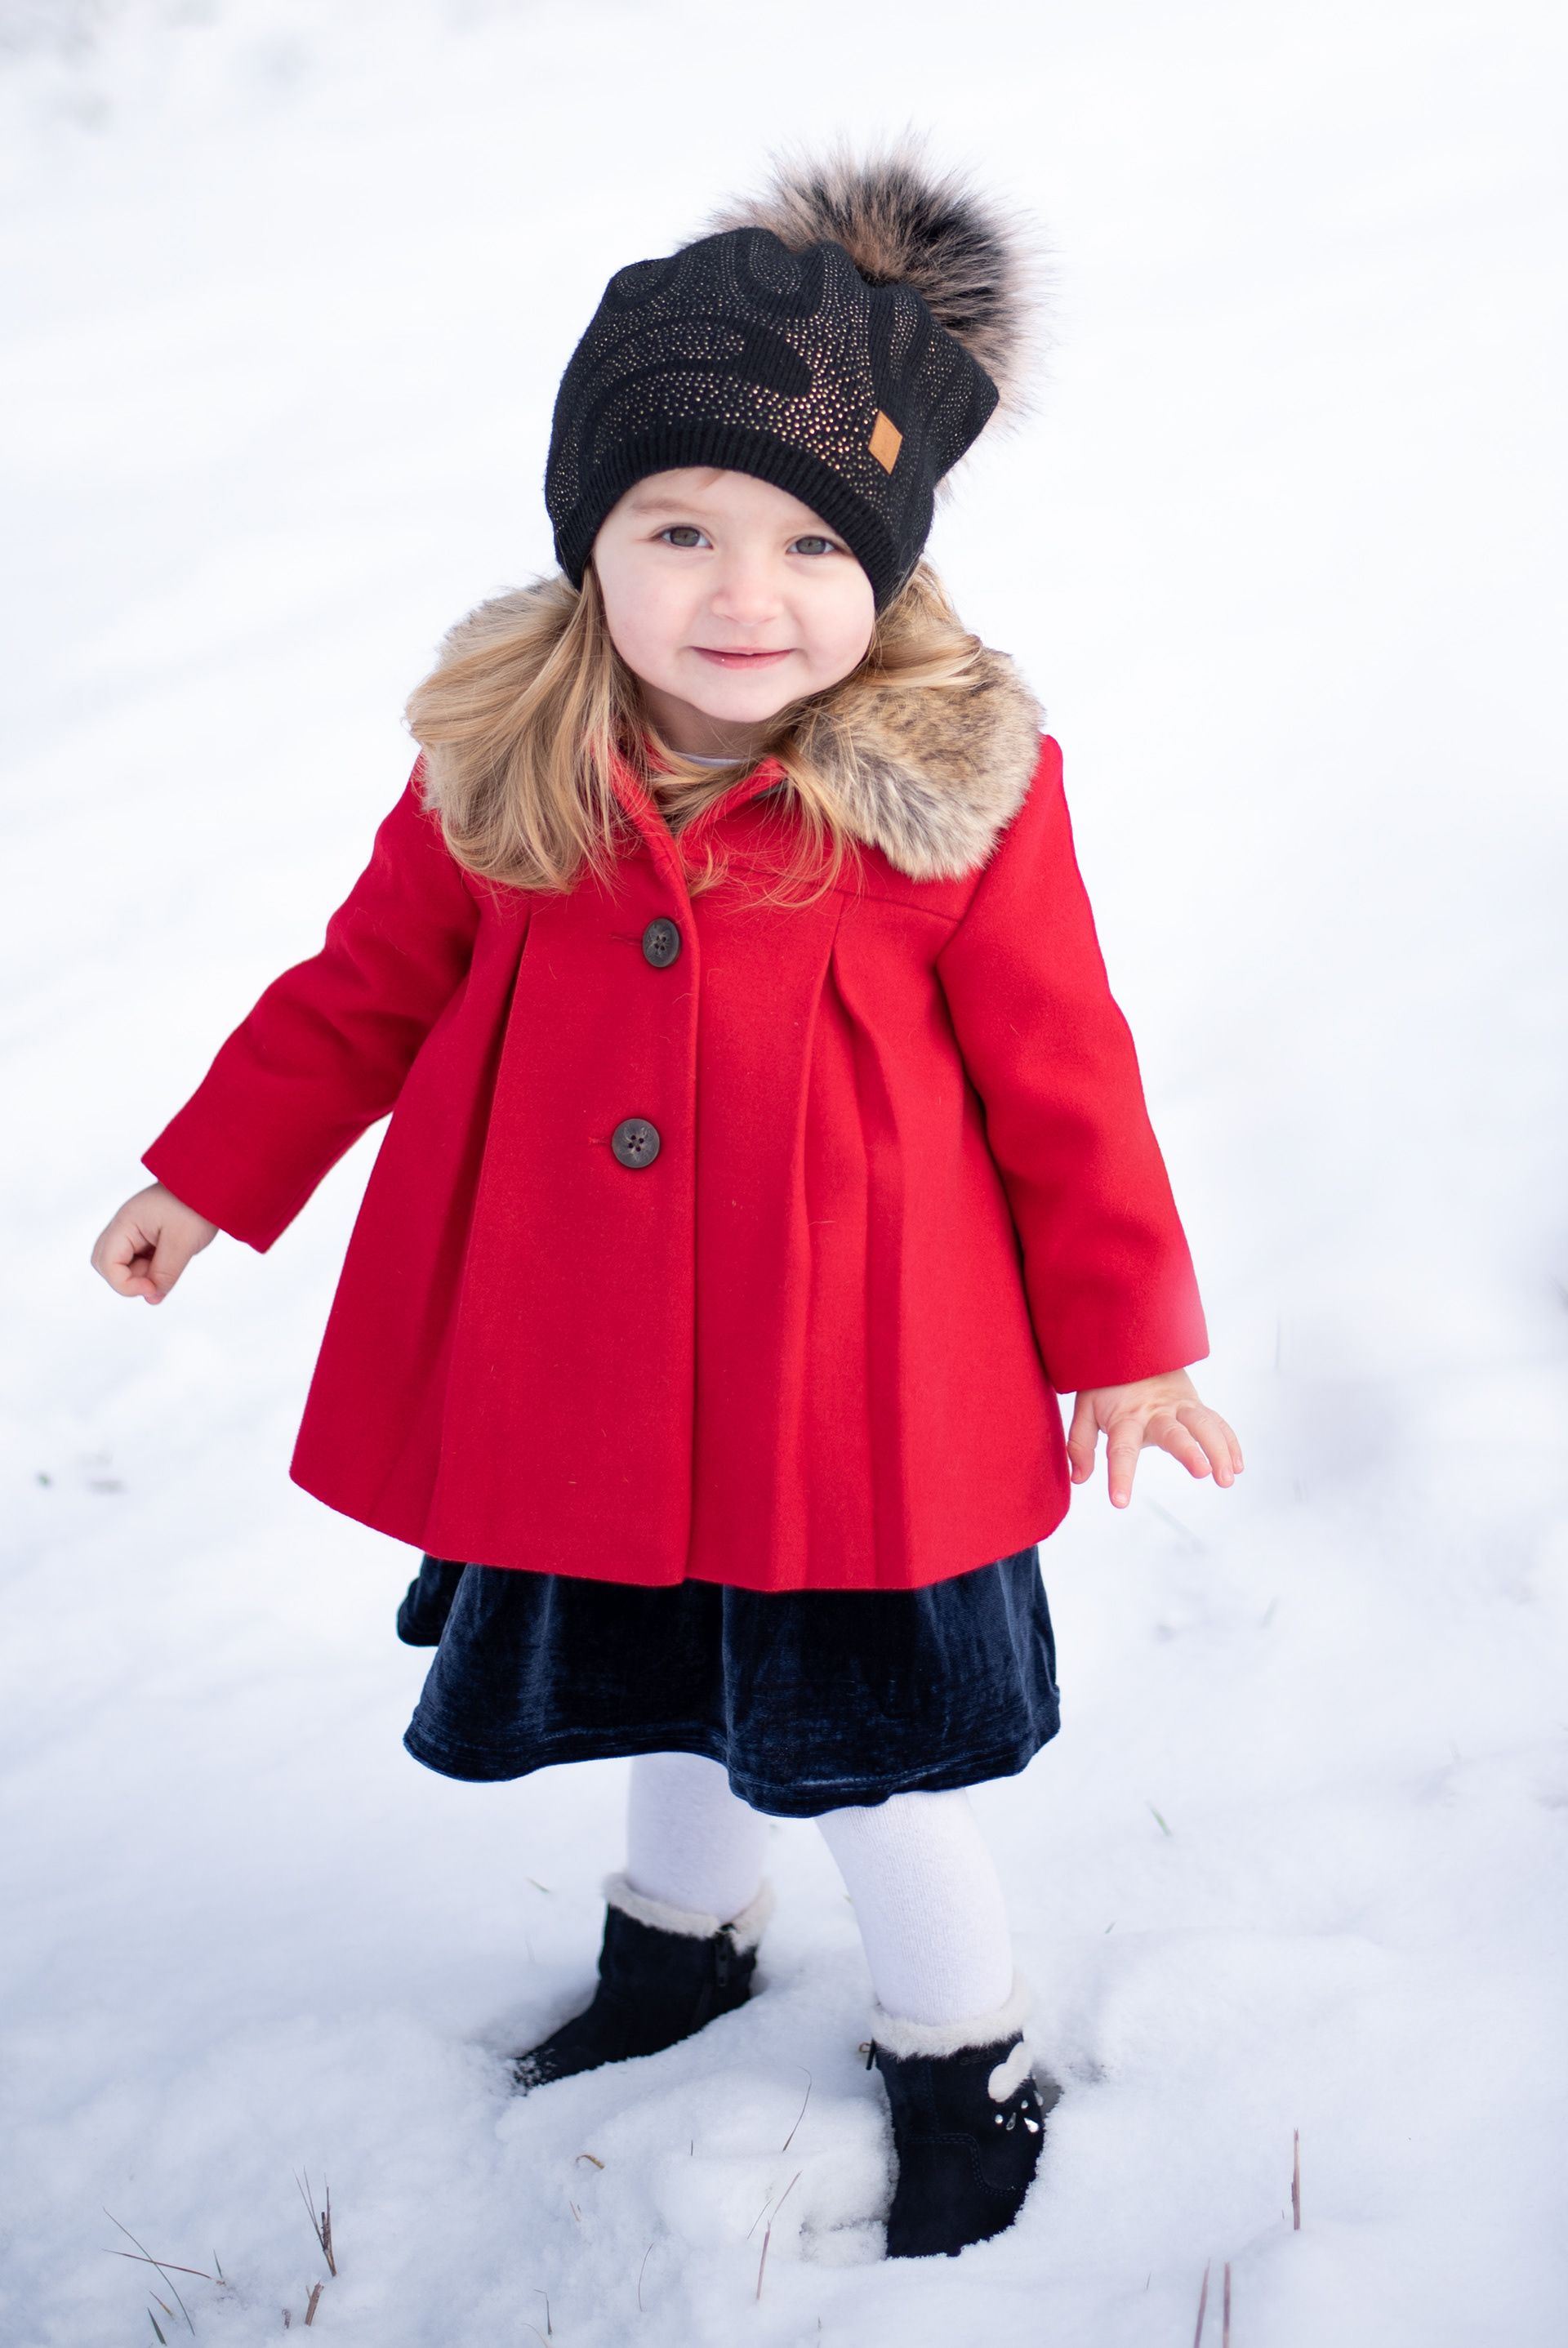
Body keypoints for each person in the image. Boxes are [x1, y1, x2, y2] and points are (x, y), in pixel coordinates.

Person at [91, 150, 1241, 2260]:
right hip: (597, 1375)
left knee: (864, 1746)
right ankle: (678, 1950)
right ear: (590, 544)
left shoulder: (952, 791)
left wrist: (1131, 1342)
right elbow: (367, 986)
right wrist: (213, 1172)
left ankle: (960, 2043)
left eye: (810, 542)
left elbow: (1067, 1074)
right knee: (664, 1675)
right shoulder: (510, 760)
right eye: (680, 529)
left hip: (846, 1394)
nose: (744, 591)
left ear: (885, 566)